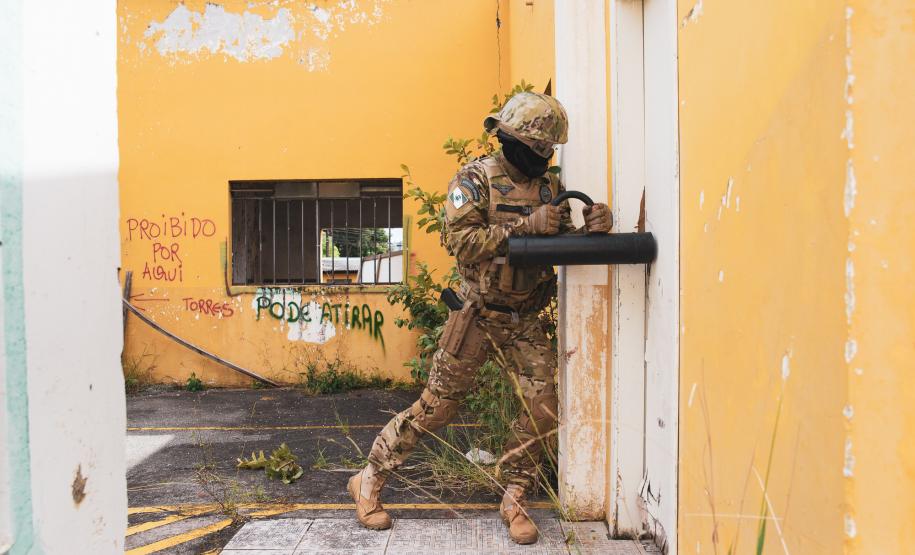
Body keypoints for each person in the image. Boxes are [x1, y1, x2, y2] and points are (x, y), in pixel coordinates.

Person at [348, 92, 613, 544]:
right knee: (438, 407)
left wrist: (592, 229)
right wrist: (523, 228)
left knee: (543, 405)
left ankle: (515, 495)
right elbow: (462, 243)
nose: (544, 159)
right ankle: (370, 477)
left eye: (549, 151)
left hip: (524, 319)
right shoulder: (474, 179)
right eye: (538, 151)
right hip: (477, 316)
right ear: (513, 142)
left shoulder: (549, 187)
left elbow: (561, 242)